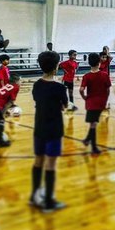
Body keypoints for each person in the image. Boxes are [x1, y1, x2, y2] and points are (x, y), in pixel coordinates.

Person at [30, 50, 68, 212]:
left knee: (38, 160)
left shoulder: (36, 85)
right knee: (50, 164)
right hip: (54, 129)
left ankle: (34, 195)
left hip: (39, 127)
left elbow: (37, 99)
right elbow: (64, 106)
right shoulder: (60, 87)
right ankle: (48, 202)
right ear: (56, 68)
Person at [79, 52, 111, 155]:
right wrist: (105, 99)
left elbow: (81, 89)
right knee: (94, 123)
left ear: (89, 63)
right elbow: (108, 89)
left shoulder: (86, 76)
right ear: (99, 62)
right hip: (101, 102)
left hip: (91, 103)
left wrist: (85, 98)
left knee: (93, 123)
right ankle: (92, 146)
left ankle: (91, 145)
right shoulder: (105, 75)